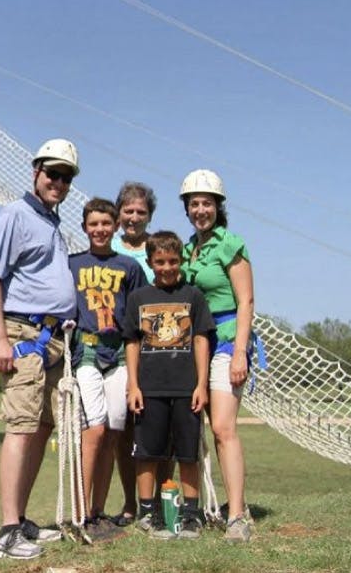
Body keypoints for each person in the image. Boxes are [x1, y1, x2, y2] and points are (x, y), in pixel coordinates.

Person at [0, 138, 80, 560]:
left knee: (42, 429)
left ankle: (21, 519)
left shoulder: (52, 223)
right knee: (20, 427)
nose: (58, 181)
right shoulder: (15, 215)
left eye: (66, 176)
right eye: (52, 173)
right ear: (35, 171)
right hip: (23, 337)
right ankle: (7, 532)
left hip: (55, 340)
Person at [179, 169, 255, 542]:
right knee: (197, 429)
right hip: (196, 344)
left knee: (223, 428)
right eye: (194, 203)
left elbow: (246, 301)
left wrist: (240, 351)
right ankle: (200, 507)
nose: (200, 210)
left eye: (206, 203)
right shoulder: (186, 249)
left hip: (226, 340)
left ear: (218, 206)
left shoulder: (230, 244)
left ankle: (238, 516)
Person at [123, 231, 214, 540]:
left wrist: (201, 384)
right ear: (150, 263)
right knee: (147, 454)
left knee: (188, 454)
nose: (167, 267)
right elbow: (132, 344)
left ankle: (191, 514)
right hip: (149, 389)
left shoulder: (193, 296)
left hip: (186, 389)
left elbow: (201, 340)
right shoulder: (138, 298)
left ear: (181, 261)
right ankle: (147, 512)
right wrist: (133, 386)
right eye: (159, 262)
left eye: (173, 261)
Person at [68, 197, 144, 541]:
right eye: (93, 223)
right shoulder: (72, 264)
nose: (99, 229)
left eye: (105, 223)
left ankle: (98, 512)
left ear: (115, 227)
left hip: (118, 354)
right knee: (94, 430)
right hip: (86, 350)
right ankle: (81, 513)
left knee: (113, 432)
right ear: (85, 227)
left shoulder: (128, 267)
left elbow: (140, 314)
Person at [113, 182, 157, 283]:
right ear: (118, 214)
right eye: (129, 211)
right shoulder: (108, 248)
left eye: (141, 212)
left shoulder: (159, 247)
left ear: (150, 217)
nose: (134, 218)